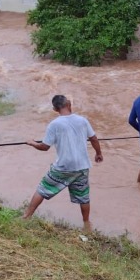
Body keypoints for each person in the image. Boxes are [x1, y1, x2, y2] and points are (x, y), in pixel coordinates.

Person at [23, 95, 103, 224]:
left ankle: (26, 217)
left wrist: (32, 143)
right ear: (69, 104)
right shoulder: (82, 120)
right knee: (83, 196)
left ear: (55, 109)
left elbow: (44, 147)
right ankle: (86, 223)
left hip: (64, 167)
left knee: (43, 188)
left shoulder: (54, 124)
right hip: (82, 167)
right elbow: (93, 138)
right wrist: (98, 153)